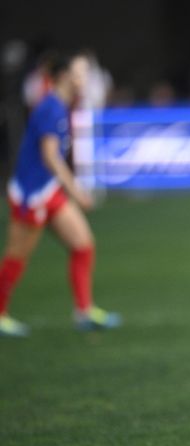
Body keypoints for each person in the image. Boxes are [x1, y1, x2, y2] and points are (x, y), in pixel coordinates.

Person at [0, 52, 121, 337]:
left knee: (83, 245)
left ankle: (84, 311)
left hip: (47, 190)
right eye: (80, 73)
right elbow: (50, 156)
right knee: (17, 257)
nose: (84, 80)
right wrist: (76, 191)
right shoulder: (51, 108)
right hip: (30, 195)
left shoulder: (61, 106)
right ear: (64, 75)